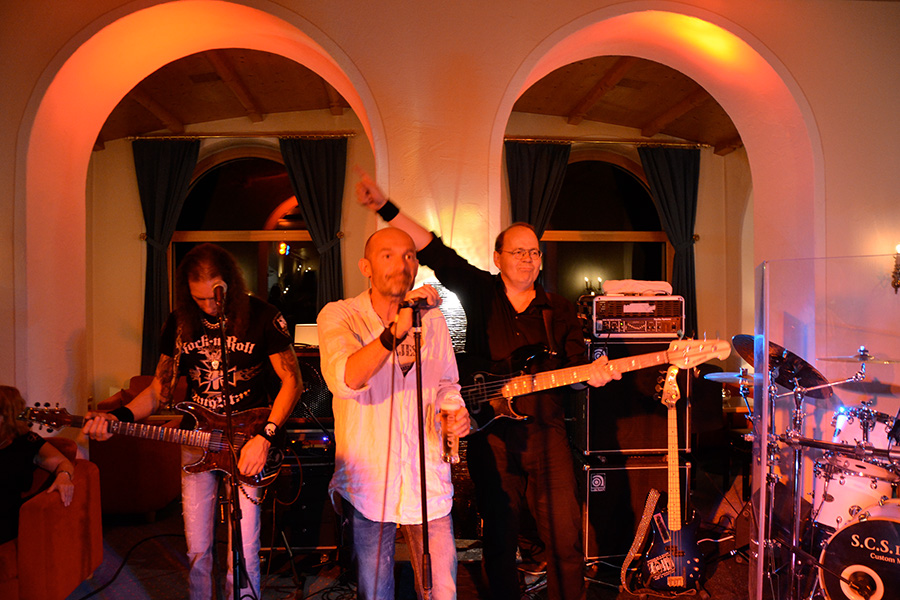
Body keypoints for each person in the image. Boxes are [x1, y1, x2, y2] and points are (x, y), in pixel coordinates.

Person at [355, 170, 621, 600]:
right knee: (499, 537)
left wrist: (592, 377)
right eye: (517, 251)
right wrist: (384, 205)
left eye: (534, 252)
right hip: (491, 436)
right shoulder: (482, 292)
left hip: (548, 435)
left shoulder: (559, 309)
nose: (527, 259)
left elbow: (575, 376)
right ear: (497, 258)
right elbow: (434, 250)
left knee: (565, 538)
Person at [83, 243, 302, 600]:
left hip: (248, 440)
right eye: (199, 298)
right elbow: (159, 390)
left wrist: (265, 437)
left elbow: (292, 381)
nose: (209, 305)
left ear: (229, 282)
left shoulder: (263, 316)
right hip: (197, 441)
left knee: (245, 546)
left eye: (215, 296)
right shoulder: (180, 323)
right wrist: (116, 416)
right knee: (197, 547)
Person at [317, 228, 471, 600]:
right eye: (388, 255)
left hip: (426, 478)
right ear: (365, 267)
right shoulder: (340, 315)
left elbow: (447, 381)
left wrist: (454, 409)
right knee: (376, 591)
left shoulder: (432, 320)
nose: (402, 264)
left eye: (409, 255)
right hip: (370, 482)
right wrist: (396, 330)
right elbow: (345, 378)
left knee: (442, 589)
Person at [0, 385, 76, 545]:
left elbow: (63, 462)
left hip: (6, 518)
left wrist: (64, 476)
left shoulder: (27, 442)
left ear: (6, 415)